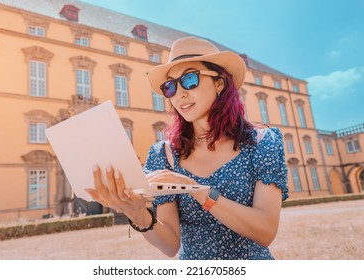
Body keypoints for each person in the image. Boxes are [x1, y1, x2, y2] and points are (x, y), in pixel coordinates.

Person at [86, 36, 289, 260]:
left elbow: (266, 231)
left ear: (219, 82)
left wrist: (198, 191)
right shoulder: (164, 155)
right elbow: (170, 244)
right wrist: (137, 214)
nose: (180, 93)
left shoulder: (262, 142)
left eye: (189, 79)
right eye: (170, 87)